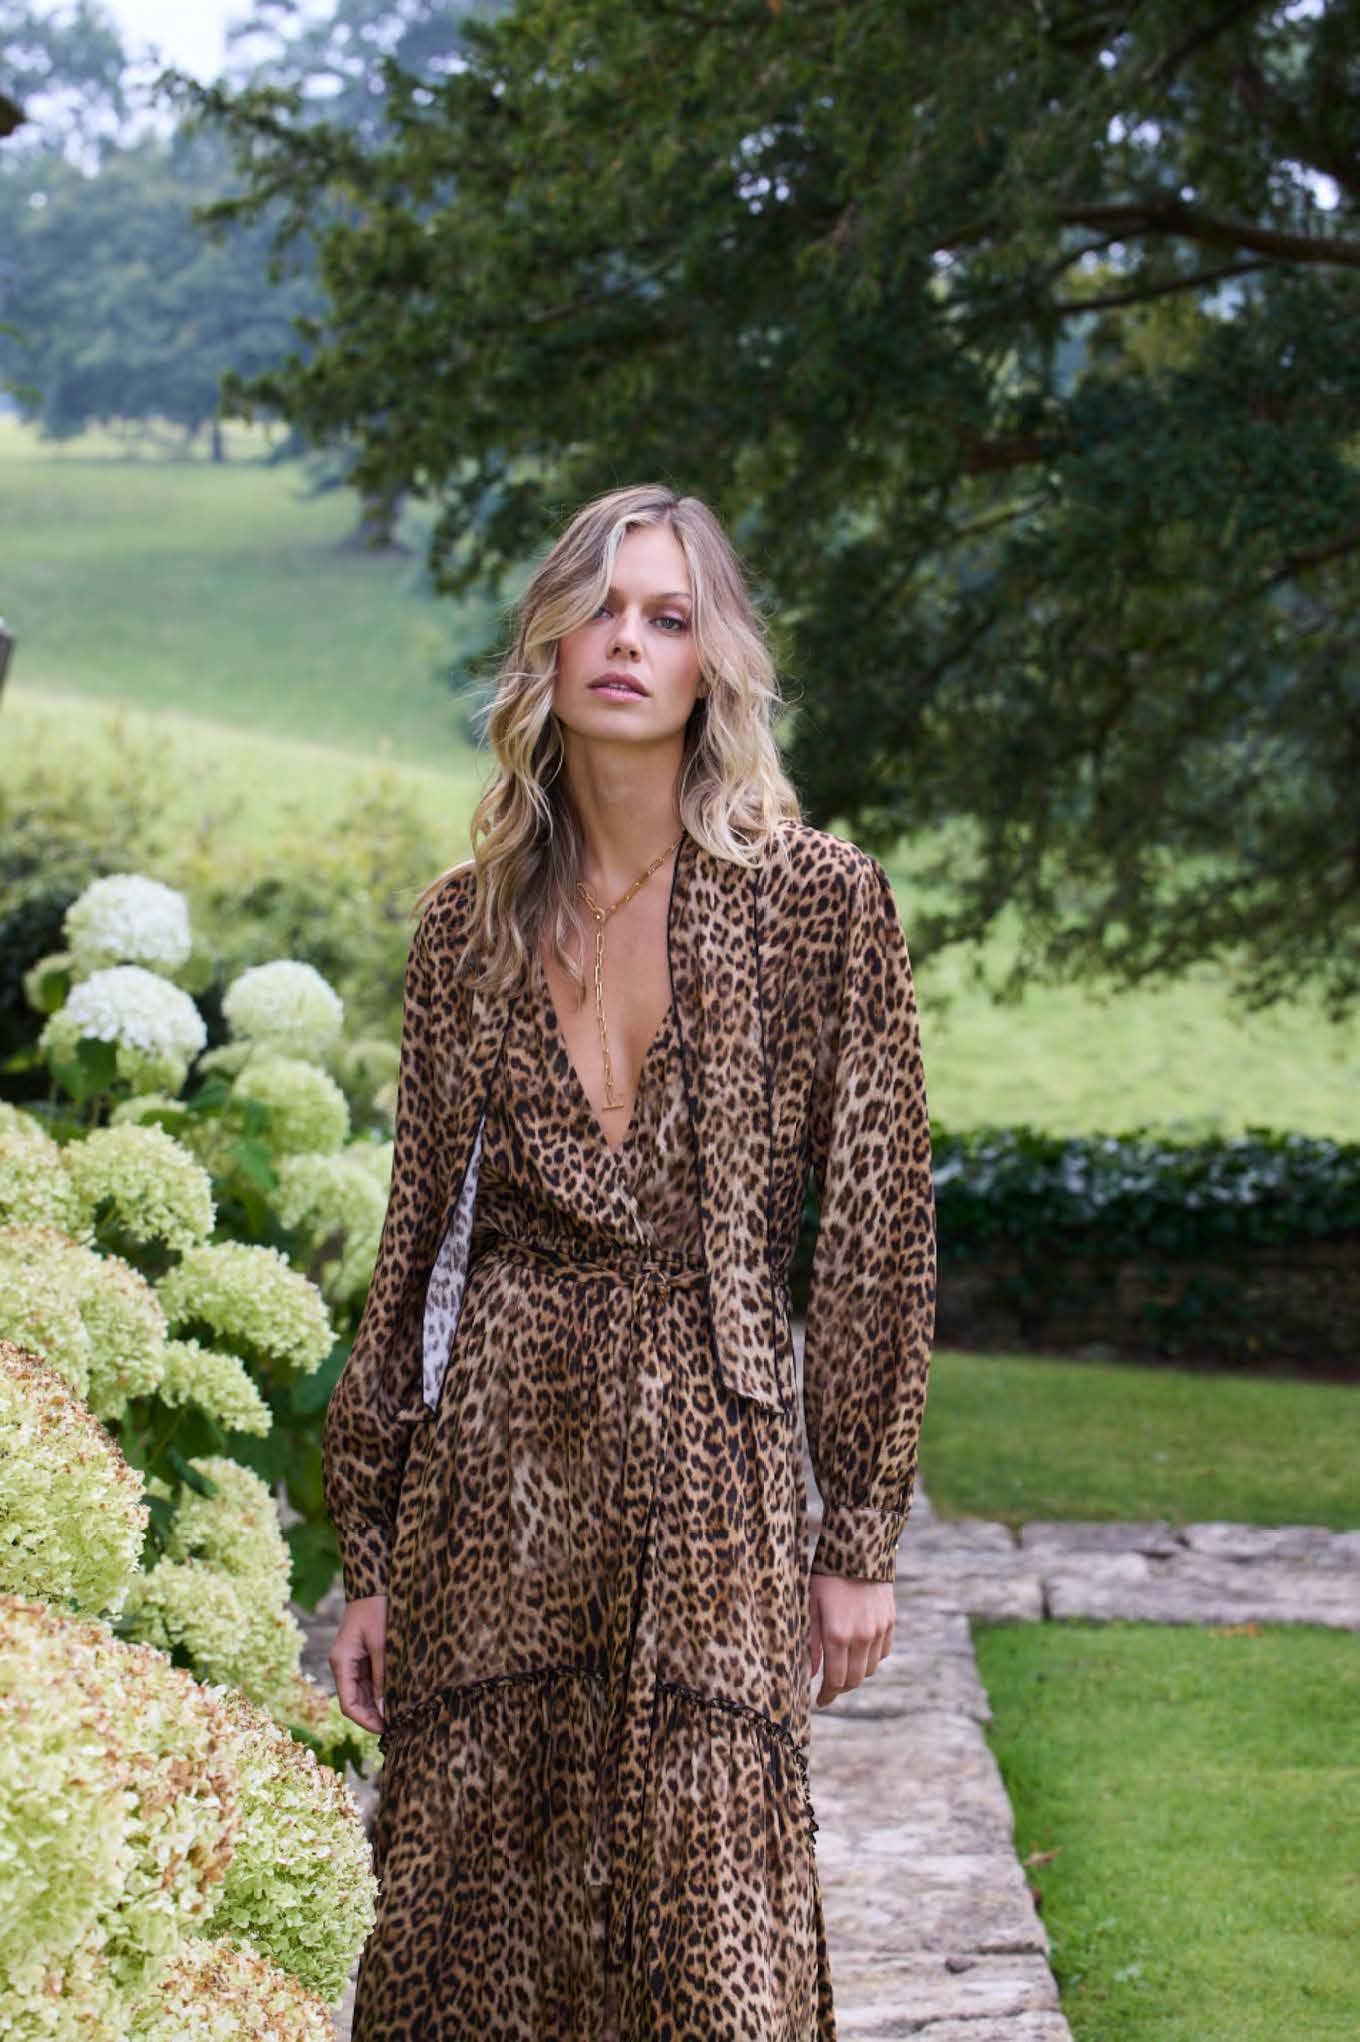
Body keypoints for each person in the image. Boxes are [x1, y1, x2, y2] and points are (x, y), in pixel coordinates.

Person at [323, 482, 937, 2041]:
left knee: (711, 1934)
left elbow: (875, 1233)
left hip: (712, 1488)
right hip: (495, 1491)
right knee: (469, 1939)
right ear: (547, 642)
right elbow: (415, 1248)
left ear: (712, 661)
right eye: (599, 607)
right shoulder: (466, 929)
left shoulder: (818, 905)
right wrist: (371, 1550)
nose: (627, 642)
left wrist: (860, 1527)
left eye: (667, 616)